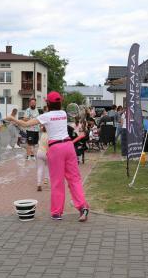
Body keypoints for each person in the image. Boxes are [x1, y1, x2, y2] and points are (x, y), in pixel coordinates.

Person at [6, 91, 90, 222]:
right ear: (59, 103)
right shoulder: (63, 114)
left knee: (57, 181)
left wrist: (12, 119)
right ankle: (82, 206)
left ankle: (57, 212)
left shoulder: (46, 116)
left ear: (48, 104)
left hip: (56, 148)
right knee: (74, 179)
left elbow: (26, 124)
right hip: (68, 146)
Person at [36, 125, 49, 192]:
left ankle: (39, 184)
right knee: (47, 166)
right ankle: (46, 179)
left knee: (40, 168)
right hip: (46, 153)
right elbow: (48, 145)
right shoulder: (50, 135)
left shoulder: (42, 134)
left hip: (39, 152)